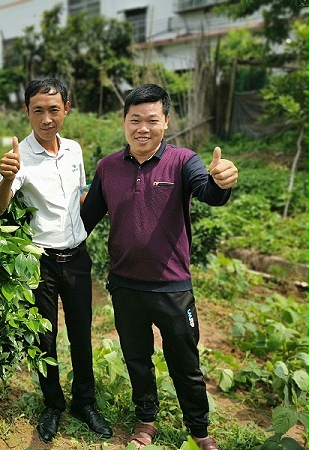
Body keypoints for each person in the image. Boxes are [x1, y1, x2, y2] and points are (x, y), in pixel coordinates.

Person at [80, 83, 238, 450]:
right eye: (135, 119)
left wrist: (221, 180)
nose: (143, 128)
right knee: (137, 359)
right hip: (125, 285)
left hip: (172, 287)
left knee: (186, 363)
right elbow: (84, 222)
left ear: (166, 121)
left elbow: (209, 192)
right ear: (124, 122)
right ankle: (146, 421)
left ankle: (199, 430)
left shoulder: (184, 161)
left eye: (152, 119)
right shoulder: (108, 167)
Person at [0, 78, 113, 443]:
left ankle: (84, 402)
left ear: (67, 110)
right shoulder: (19, 158)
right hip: (39, 262)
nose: (46, 119)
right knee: (44, 337)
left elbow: (77, 197)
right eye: (38, 111)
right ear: (26, 111)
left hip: (77, 257)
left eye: (54, 110)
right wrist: (6, 179)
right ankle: (53, 404)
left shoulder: (74, 150)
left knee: (81, 334)